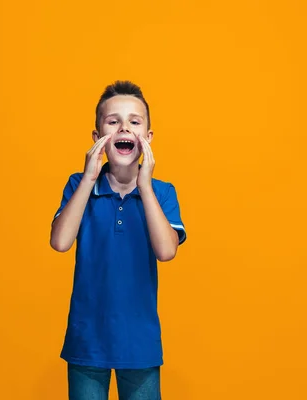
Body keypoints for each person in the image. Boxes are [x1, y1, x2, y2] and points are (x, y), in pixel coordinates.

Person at [50, 80, 187, 400]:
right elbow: (60, 242)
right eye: (113, 121)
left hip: (140, 343)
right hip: (86, 341)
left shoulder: (162, 192)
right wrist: (88, 177)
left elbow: (167, 251)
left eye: (134, 122)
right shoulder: (79, 186)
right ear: (98, 138)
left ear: (148, 139)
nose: (124, 126)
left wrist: (146, 185)